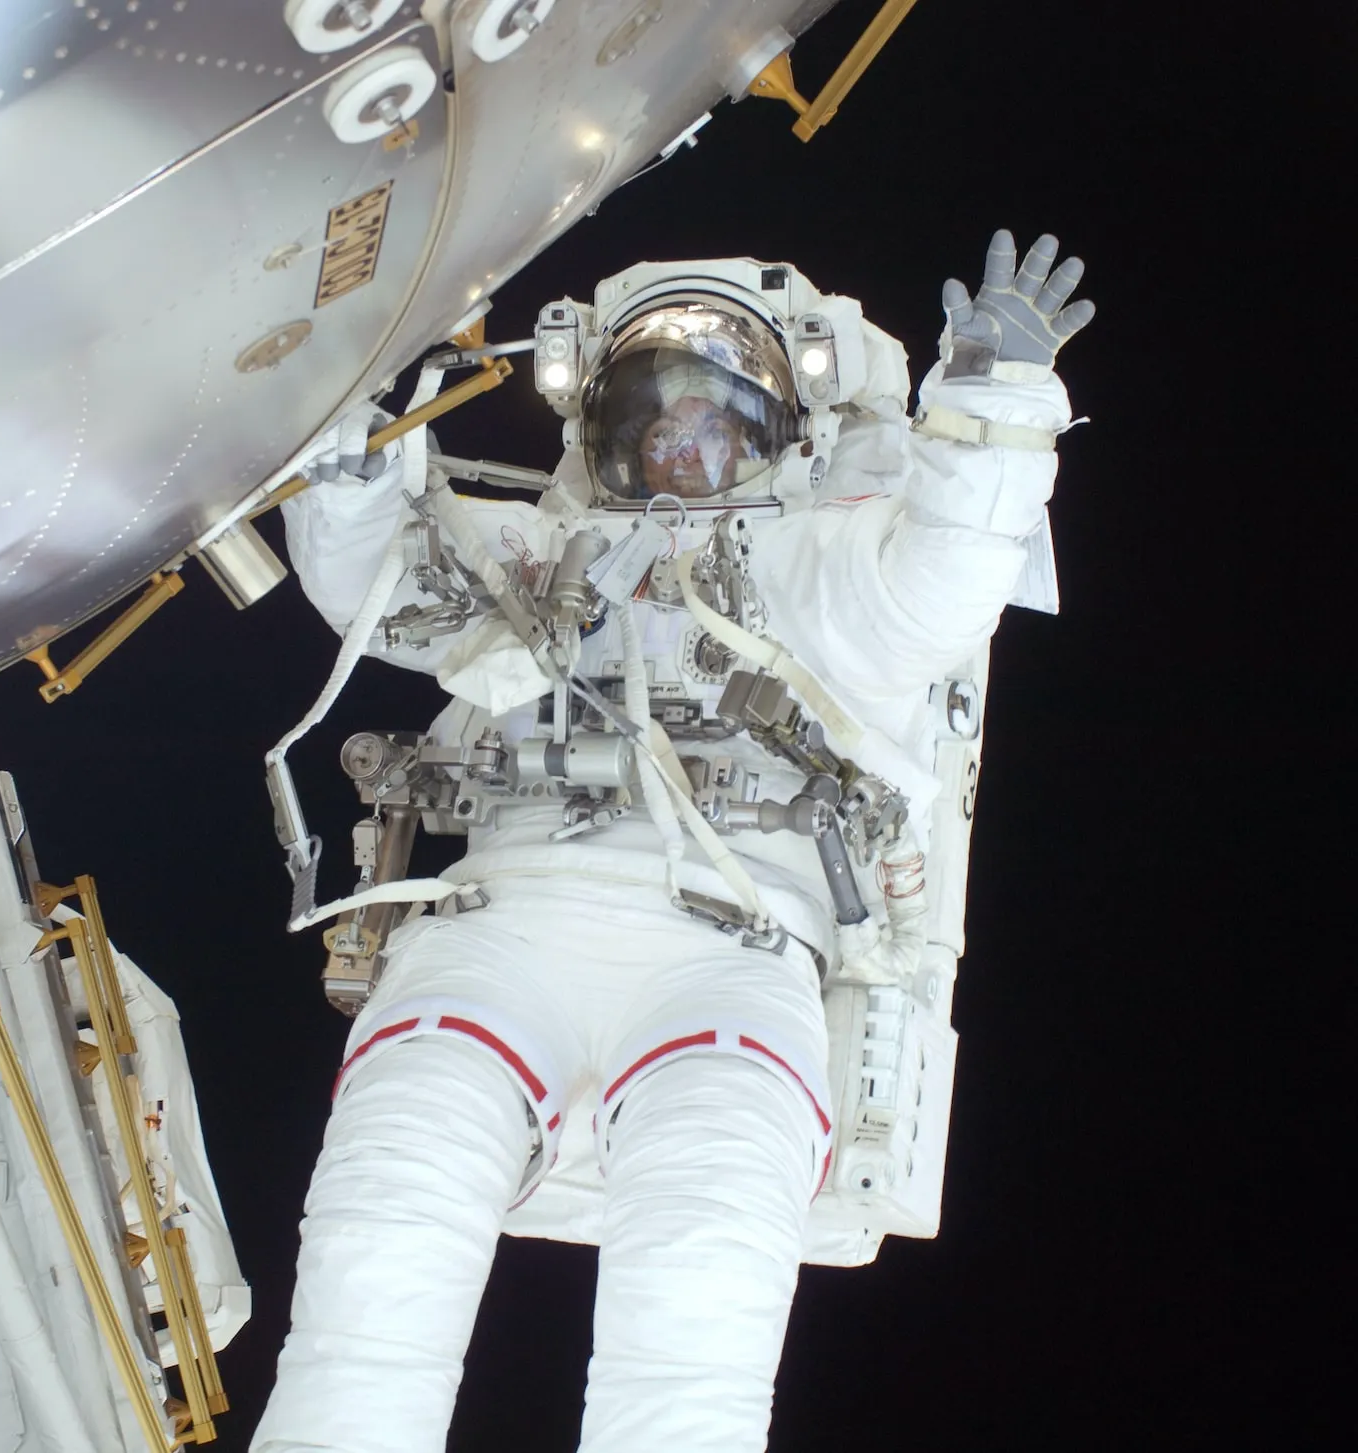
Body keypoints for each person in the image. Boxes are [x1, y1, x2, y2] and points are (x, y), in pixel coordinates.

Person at [253, 231, 1094, 1453]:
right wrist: (352, 450)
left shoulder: (822, 561)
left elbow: (944, 583)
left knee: (697, 1303)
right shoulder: (539, 550)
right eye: (652, 417)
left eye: (710, 417)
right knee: (385, 1229)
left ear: (770, 427)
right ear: (608, 428)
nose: (678, 446)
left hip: (731, 946)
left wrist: (991, 404)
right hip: (504, 923)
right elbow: (375, 577)